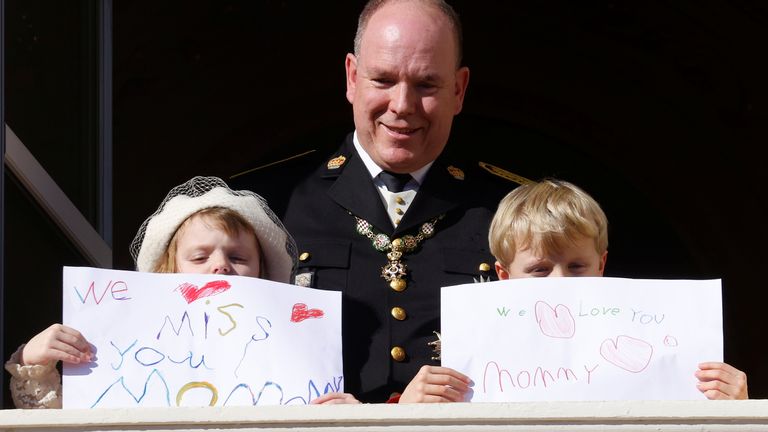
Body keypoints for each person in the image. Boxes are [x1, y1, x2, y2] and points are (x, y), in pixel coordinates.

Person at [232, 0, 528, 403]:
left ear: (458, 90)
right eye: (384, 80)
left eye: (426, 85)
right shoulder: (266, 202)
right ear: (352, 78)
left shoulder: (510, 209)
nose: (402, 105)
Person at [5, 176, 358, 408]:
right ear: (167, 271)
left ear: (263, 274)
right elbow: (61, 424)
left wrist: (349, 420)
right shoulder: (124, 348)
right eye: (200, 256)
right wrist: (34, 364)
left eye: (237, 257)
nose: (219, 266)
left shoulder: (295, 356)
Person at [401, 178, 748, 402]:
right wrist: (408, 411)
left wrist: (737, 412)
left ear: (601, 264)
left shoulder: (649, 337)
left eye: (576, 267)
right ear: (503, 275)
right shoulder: (473, 357)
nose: (560, 282)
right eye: (539, 269)